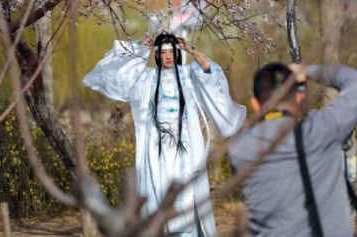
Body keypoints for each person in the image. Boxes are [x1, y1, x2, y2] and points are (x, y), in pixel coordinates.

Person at [83, 32, 246, 236]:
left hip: (186, 151)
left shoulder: (188, 75)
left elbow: (210, 74)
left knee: (187, 195)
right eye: (164, 52)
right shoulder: (147, 79)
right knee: (157, 194)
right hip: (156, 153)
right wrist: (138, 48)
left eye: (172, 51)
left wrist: (192, 51)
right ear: (157, 55)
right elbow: (117, 74)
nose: (168, 56)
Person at [228, 62, 357, 236]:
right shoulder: (322, 130)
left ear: (255, 104)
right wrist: (309, 71)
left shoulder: (238, 150)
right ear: (298, 98)